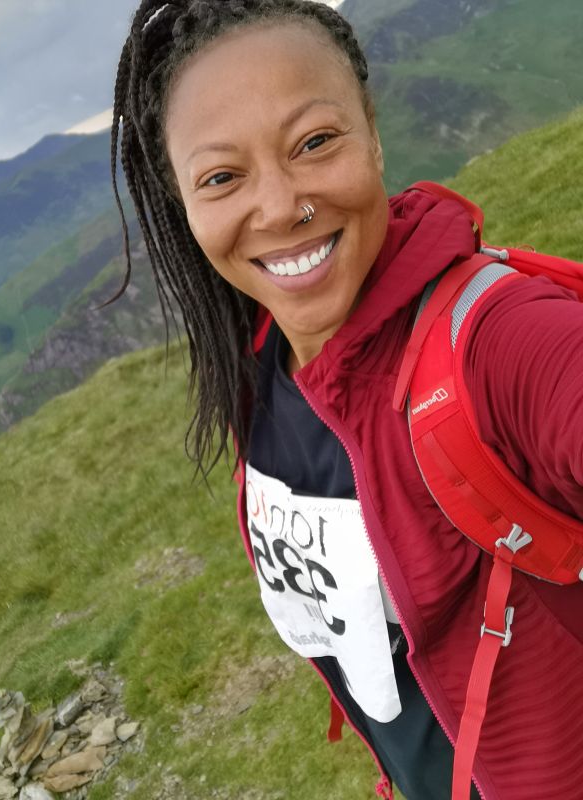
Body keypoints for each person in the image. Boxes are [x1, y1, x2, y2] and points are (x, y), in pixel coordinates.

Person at [108, 2, 583, 798]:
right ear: (183, 204)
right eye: (223, 177)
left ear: (372, 131)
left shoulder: (496, 346)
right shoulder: (267, 368)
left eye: (315, 143)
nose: (280, 205)